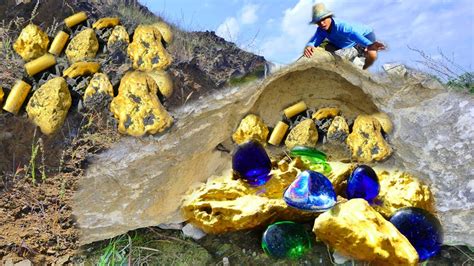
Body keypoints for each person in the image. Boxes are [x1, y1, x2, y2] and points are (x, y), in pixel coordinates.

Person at [303, 3, 385, 69]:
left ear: (330, 17)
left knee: (358, 57)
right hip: (344, 43)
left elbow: (354, 35)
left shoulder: (341, 26)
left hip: (365, 36)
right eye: (318, 22)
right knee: (325, 45)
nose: (321, 23)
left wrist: (369, 44)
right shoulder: (321, 30)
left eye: (323, 19)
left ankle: (360, 62)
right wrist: (310, 45)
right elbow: (315, 40)